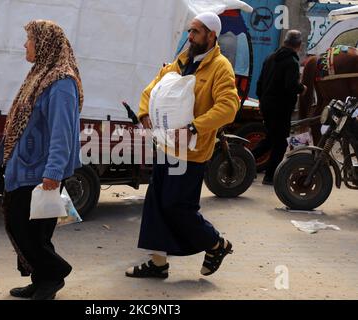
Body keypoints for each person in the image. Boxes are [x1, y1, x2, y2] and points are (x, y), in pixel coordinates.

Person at [125, 12, 239, 279]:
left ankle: (216, 244)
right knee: (156, 204)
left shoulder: (220, 67)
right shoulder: (182, 61)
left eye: (196, 32)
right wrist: (144, 113)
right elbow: (153, 88)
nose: (190, 36)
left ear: (211, 35)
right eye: (190, 31)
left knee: (178, 207)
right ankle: (158, 263)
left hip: (192, 153)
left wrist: (193, 127)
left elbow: (228, 107)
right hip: (166, 148)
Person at [0, 20, 83, 300]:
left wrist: (53, 172)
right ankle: (41, 279)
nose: (25, 45)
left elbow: (62, 133)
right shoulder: (40, 73)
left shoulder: (62, 82)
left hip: (42, 171)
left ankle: (54, 275)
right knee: (26, 229)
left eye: (29, 39)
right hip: (25, 167)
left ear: (44, 43)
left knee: (29, 231)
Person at [253, 30, 307, 185]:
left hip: (267, 105)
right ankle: (270, 177)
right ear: (299, 45)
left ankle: (245, 160)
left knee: (270, 139)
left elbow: (259, 83)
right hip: (281, 108)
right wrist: (302, 88)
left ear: (284, 42)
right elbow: (290, 86)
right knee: (280, 143)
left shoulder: (270, 58)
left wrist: (262, 101)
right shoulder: (291, 62)